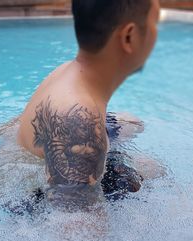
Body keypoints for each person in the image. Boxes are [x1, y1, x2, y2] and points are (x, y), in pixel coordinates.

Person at [16, 0, 160, 211]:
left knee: (133, 123)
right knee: (154, 170)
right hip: (32, 195)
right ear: (129, 36)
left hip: (43, 155)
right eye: (156, 22)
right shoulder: (77, 123)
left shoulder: (70, 71)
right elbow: (77, 238)